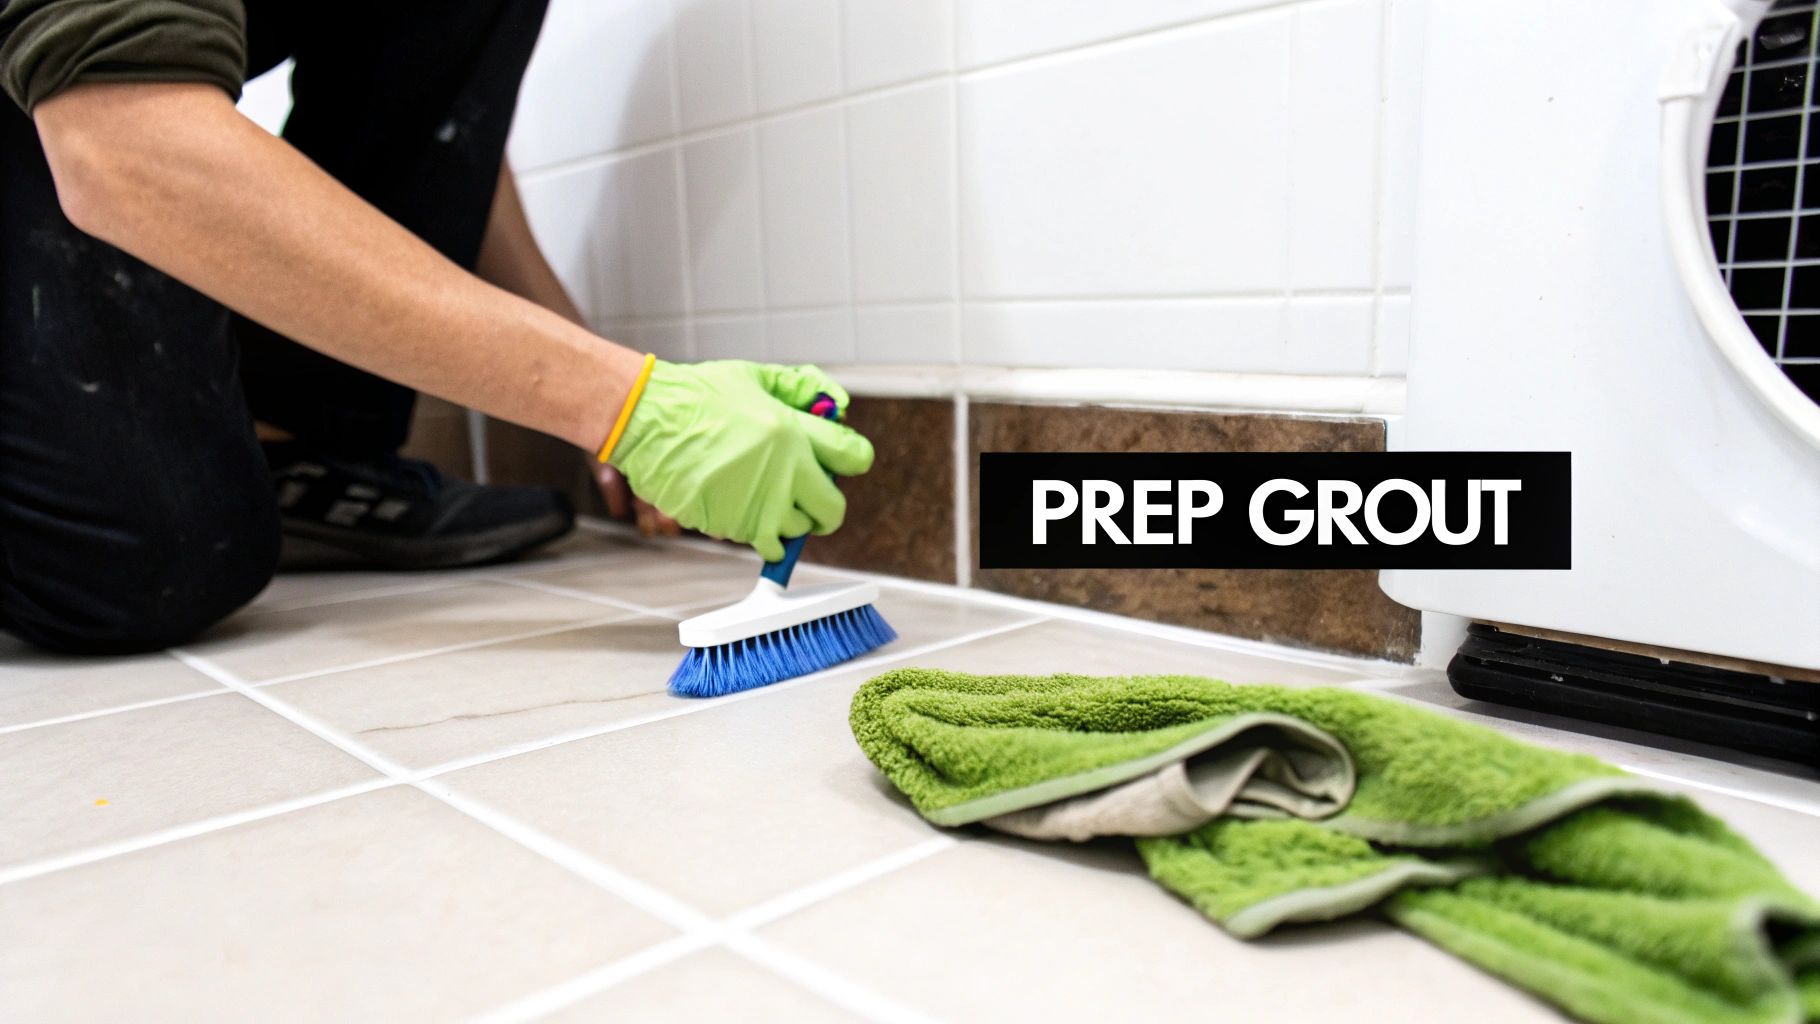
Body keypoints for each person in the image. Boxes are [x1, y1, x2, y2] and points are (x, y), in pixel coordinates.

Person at [0, 0, 874, 655]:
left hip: (79, 102)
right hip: (61, 117)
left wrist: (618, 385)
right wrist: (621, 403)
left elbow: (441, 131)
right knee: (140, 556)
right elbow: (120, 146)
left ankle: (300, 452)